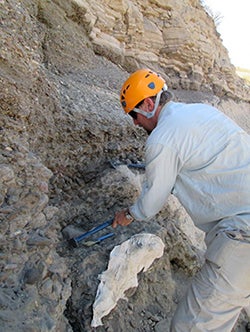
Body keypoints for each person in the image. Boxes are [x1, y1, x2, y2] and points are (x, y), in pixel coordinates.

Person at [112, 68, 250, 331]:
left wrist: (129, 214)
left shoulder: (162, 139)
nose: (135, 123)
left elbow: (152, 202)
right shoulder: (201, 111)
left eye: (134, 114)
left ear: (149, 104)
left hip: (243, 234)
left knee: (193, 325)